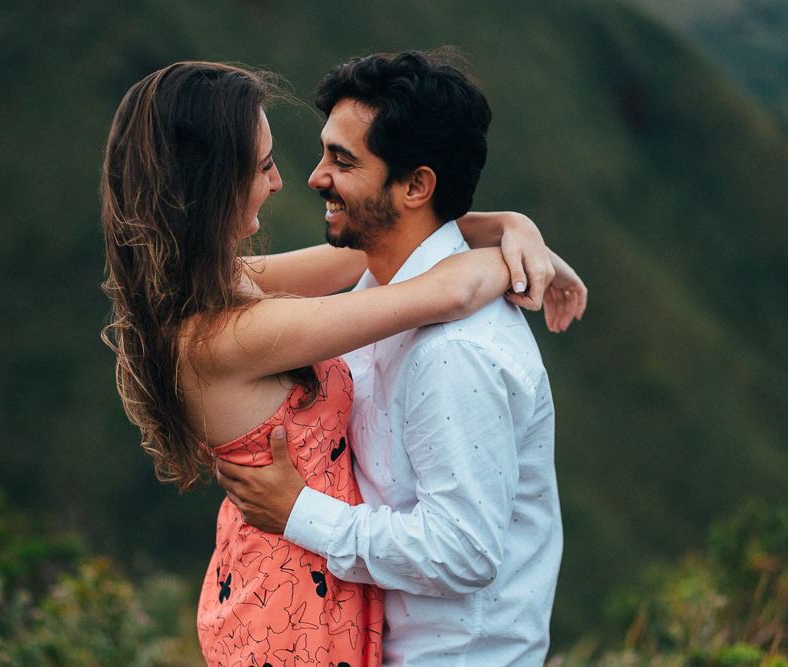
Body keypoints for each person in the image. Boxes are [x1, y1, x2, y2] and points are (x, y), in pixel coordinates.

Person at [217, 51, 586, 667]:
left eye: (343, 160)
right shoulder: (380, 293)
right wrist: (507, 225)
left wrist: (300, 513)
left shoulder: (455, 352)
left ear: (416, 186)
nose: (313, 177)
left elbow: (464, 551)